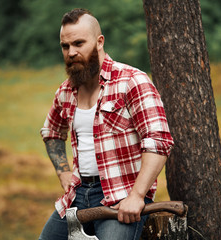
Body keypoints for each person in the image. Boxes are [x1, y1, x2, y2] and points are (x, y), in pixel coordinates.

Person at [38, 8, 174, 240]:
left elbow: (159, 142)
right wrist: (63, 173)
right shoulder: (66, 91)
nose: (71, 52)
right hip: (77, 195)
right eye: (65, 46)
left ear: (99, 41)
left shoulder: (132, 81)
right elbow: (51, 131)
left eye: (79, 43)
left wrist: (137, 196)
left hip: (121, 196)